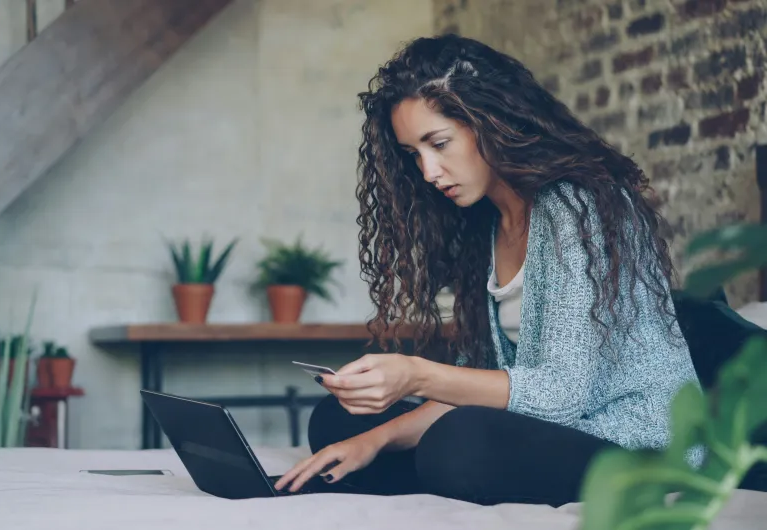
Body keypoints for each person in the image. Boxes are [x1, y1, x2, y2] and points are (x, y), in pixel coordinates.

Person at [273, 34, 703, 507]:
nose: (429, 172)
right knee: (337, 424)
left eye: (439, 144)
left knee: (460, 444)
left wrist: (415, 375)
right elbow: (488, 384)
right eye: (414, 154)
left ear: (492, 122)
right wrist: (374, 440)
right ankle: (398, 461)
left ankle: (434, 469)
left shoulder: (580, 208)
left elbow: (561, 395)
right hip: (546, 430)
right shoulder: (486, 224)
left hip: (639, 445)